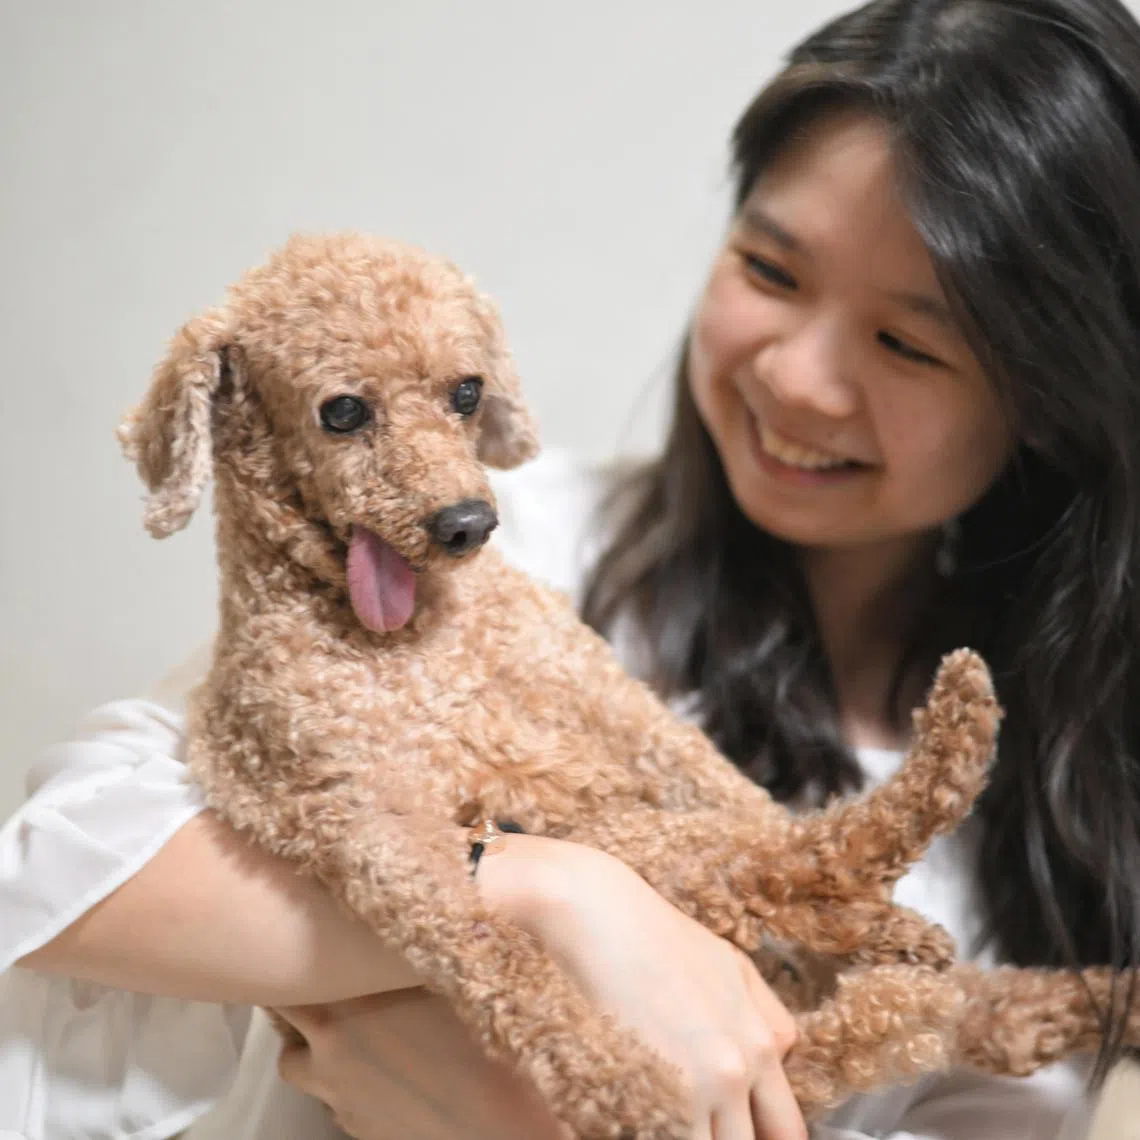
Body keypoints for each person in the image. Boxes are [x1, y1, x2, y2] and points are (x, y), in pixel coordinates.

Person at [5, 0, 1140, 1136]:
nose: (797, 379)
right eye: (771, 269)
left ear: (1048, 396)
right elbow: (62, 867)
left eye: (907, 342)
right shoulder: (509, 550)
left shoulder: (1067, 813)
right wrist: (543, 892)